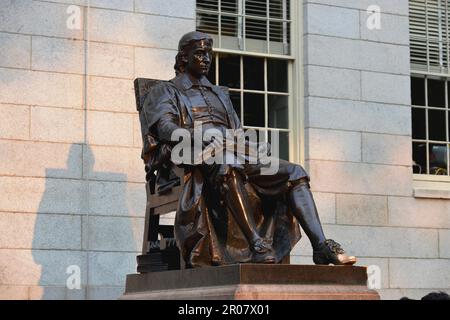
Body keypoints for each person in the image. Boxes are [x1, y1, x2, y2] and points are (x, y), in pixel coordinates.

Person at [141, 31, 356, 267]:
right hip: (194, 156)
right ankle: (257, 244)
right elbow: (165, 129)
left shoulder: (219, 93)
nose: (206, 59)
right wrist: (202, 136)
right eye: (200, 53)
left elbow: (238, 129)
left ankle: (321, 246)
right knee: (227, 164)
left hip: (236, 150)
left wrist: (250, 144)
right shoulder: (165, 90)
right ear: (183, 58)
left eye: (209, 54)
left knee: (295, 172)